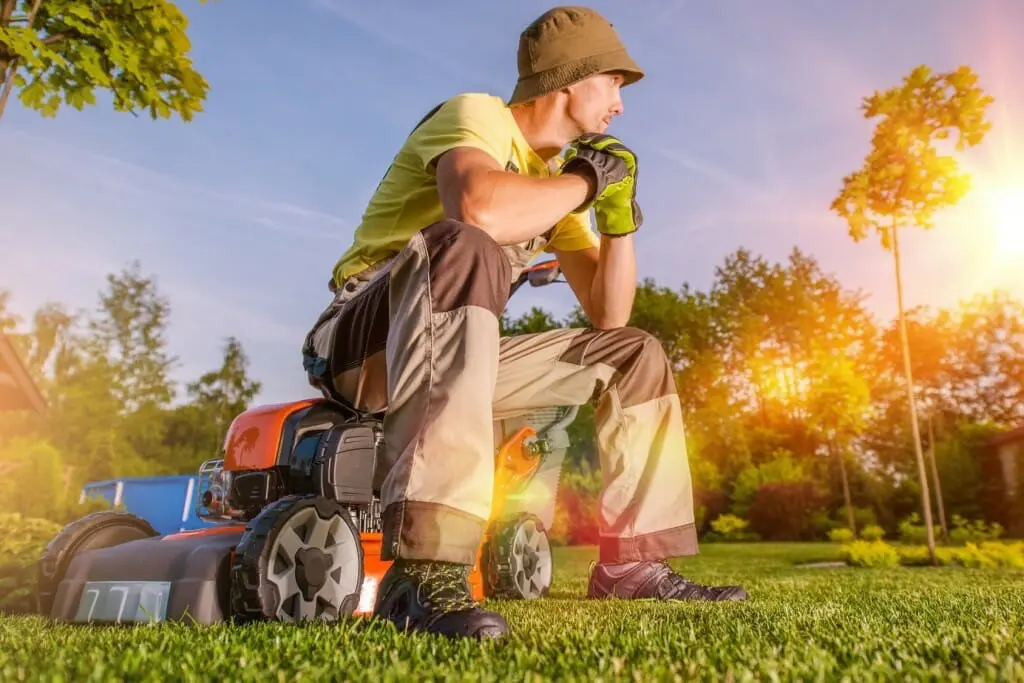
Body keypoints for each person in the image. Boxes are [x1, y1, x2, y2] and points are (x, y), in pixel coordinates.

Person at [302, 5, 747, 640]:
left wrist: (617, 219)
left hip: (451, 352)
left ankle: (631, 568)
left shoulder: (552, 184)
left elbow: (608, 313)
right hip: (362, 344)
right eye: (614, 83)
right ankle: (425, 567)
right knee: (467, 242)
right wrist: (588, 181)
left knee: (633, 352)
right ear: (571, 77)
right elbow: (478, 208)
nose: (620, 105)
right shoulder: (476, 115)